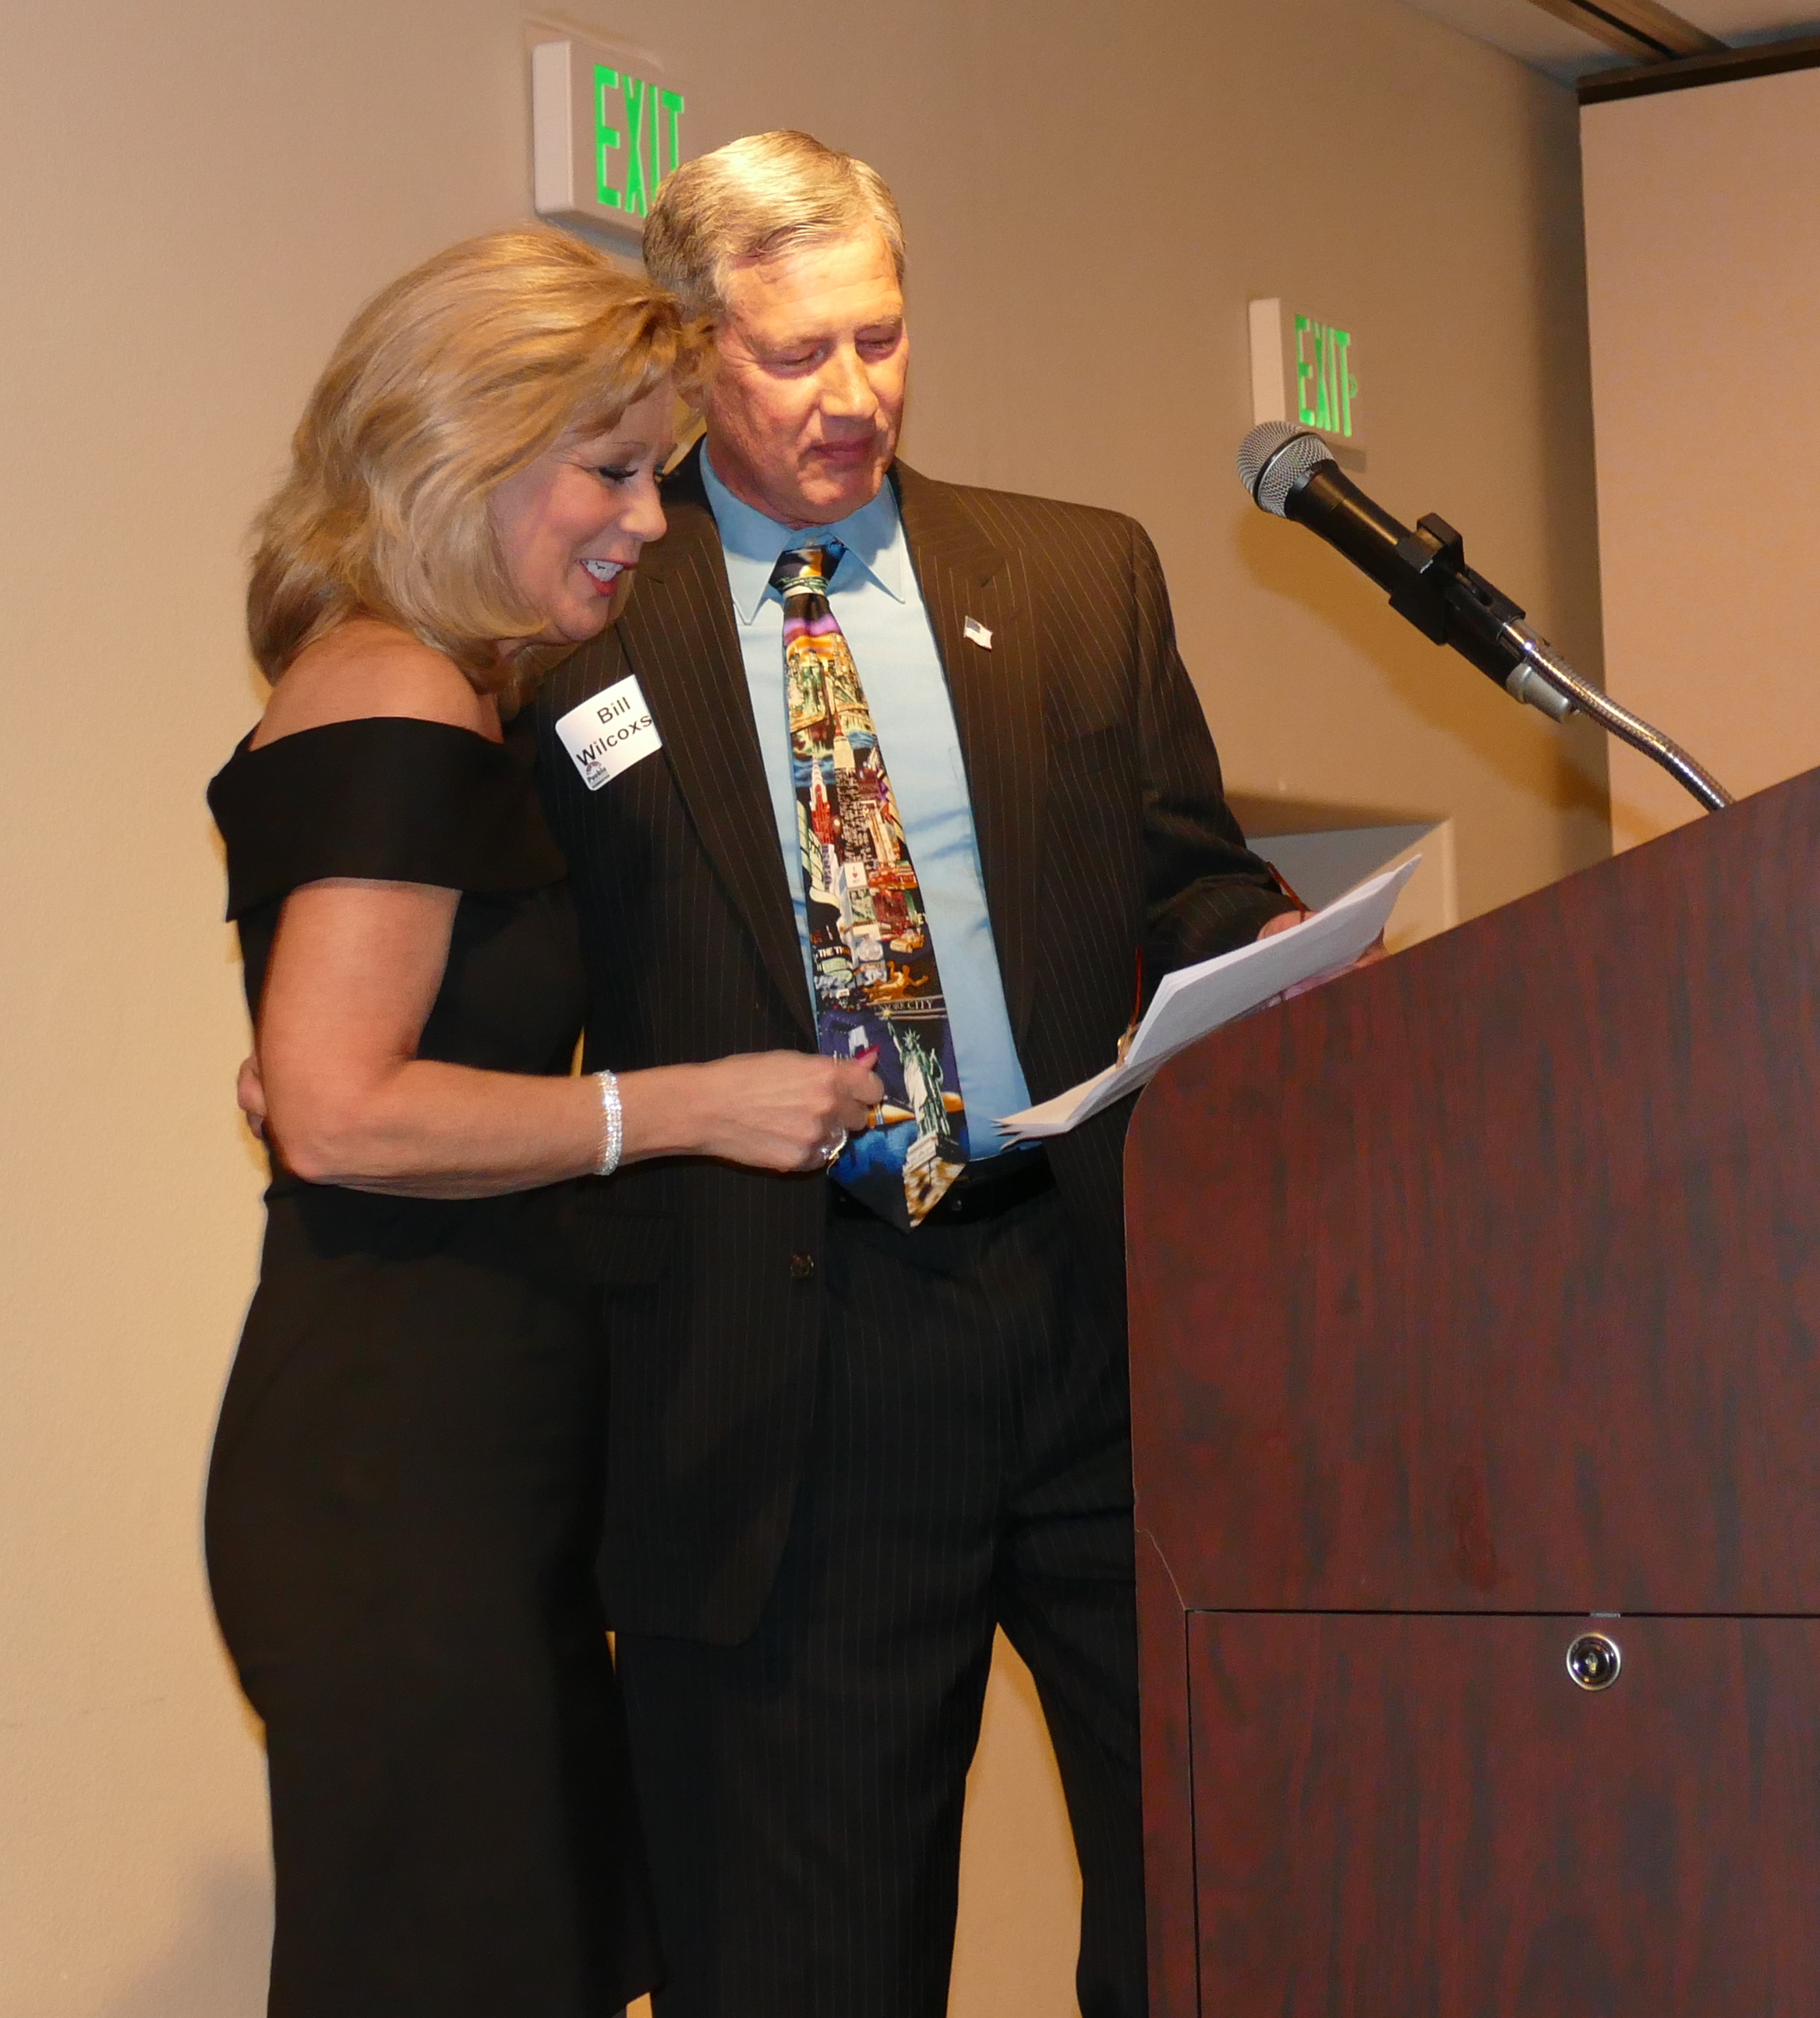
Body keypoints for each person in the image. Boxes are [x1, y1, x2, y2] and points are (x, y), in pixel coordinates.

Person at [531, 133, 1303, 2017]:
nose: (853, 395)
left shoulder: (1074, 576)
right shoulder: (578, 625)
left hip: (1096, 1312)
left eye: (882, 340)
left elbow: (1191, 885)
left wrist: (1281, 962)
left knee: (1236, 1869)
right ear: (694, 346)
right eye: (796, 356)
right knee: (811, 1948)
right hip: (792, 1353)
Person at [205, 226, 881, 2018]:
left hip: (463, 1470)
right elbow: (340, 1116)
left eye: (653, 478)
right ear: (457, 453)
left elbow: (323, 1072)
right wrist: (693, 1109)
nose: (648, 523)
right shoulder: (401, 690)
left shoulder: (436, 688)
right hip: (397, 1485)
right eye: (610, 472)